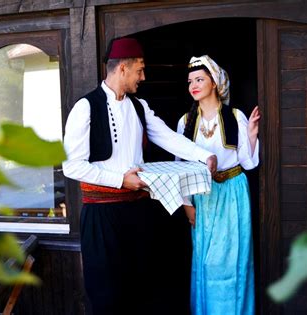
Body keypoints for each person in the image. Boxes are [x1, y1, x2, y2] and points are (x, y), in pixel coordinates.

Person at [62, 38, 217, 315]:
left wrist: (202, 156)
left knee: (142, 289)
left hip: (138, 210)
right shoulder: (85, 107)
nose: (143, 77)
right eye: (140, 70)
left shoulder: (138, 106)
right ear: (123, 68)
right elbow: (72, 166)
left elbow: (168, 136)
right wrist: (121, 180)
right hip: (101, 217)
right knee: (107, 295)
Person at [176, 55, 260, 315]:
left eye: (200, 79)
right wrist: (186, 204)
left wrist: (252, 136)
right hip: (203, 196)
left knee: (232, 260)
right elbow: (180, 168)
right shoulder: (185, 122)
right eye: (190, 81)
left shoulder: (235, 116)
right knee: (207, 261)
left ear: (215, 83)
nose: (193, 85)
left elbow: (249, 163)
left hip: (233, 193)